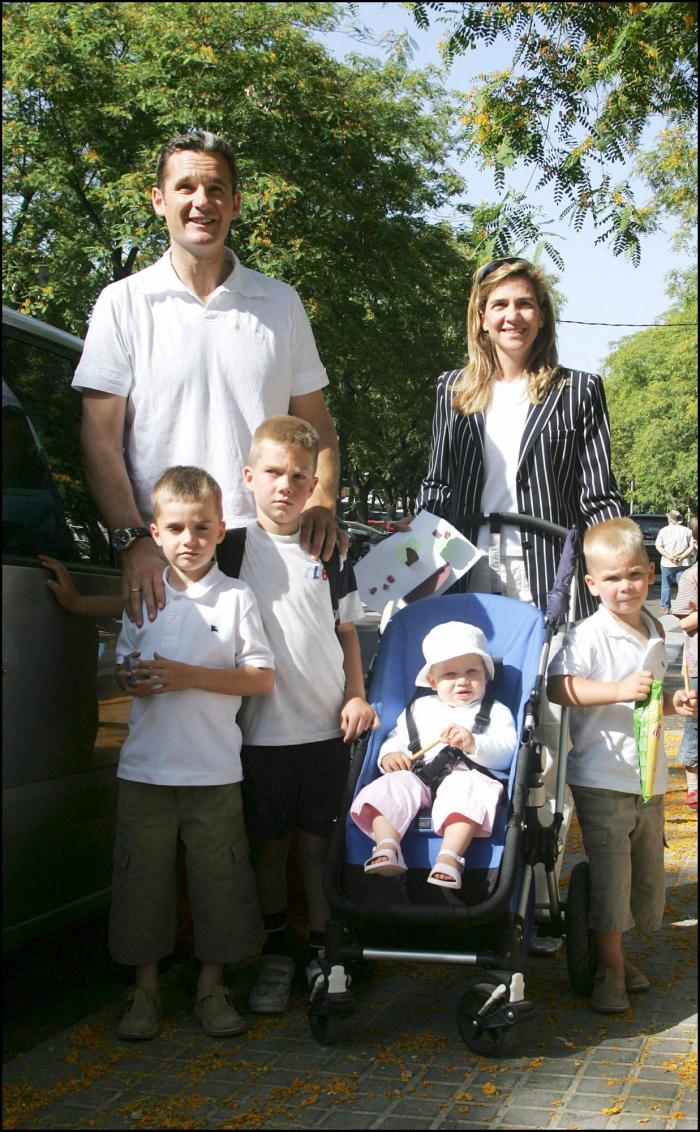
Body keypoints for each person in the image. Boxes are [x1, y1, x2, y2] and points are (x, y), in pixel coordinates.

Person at [416, 255, 624, 935]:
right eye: (499, 304)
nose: (513, 316)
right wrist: (411, 572)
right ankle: (472, 861)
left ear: (543, 315)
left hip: (550, 569)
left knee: (545, 728)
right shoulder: (453, 389)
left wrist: (610, 583)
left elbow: (598, 495)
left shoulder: (576, 391)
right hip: (471, 570)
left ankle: (537, 877)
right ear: (480, 315)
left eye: (525, 304)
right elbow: (439, 489)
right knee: (473, 714)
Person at [72, 129, 342, 629]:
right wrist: (133, 541)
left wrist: (322, 502)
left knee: (275, 707)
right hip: (168, 551)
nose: (202, 202)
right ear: (159, 200)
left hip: (270, 547)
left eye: (216, 189)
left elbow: (318, 426)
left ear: (235, 203)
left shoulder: (281, 303)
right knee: (174, 706)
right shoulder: (123, 303)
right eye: (186, 188)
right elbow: (99, 438)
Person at [110, 466, 274, 1040]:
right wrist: (134, 679)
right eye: (176, 528)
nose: (190, 540)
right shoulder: (144, 595)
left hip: (212, 771)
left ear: (221, 529)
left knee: (219, 880)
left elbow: (259, 679)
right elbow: (125, 666)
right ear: (155, 533)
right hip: (145, 770)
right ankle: (144, 992)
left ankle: (212, 986)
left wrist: (186, 676)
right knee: (141, 880)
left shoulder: (235, 597)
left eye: (202, 527)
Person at [236, 415, 378, 1015]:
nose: (285, 487)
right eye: (273, 473)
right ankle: (275, 953)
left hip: (323, 728)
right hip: (258, 733)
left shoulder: (331, 550)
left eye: (299, 477)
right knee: (269, 850)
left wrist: (356, 694)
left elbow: (347, 632)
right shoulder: (230, 546)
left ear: (314, 482)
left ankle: (324, 952)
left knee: (318, 846)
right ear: (249, 477)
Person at [547, 518, 697, 1013]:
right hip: (603, 776)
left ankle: (621, 955)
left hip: (649, 778)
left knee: (645, 878)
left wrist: (676, 701)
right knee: (611, 876)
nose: (624, 586)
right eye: (611, 578)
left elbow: (649, 698)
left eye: (632, 574)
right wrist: (614, 691)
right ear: (591, 584)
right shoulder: (588, 634)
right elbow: (559, 688)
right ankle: (608, 969)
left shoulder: (655, 629)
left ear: (651, 574)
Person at [350, 622, 516, 889]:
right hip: (418, 778)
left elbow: (507, 752)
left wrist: (475, 744)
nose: (462, 680)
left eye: (472, 672)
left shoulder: (495, 711)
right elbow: (398, 739)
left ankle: (449, 857)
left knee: (469, 788)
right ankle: (386, 846)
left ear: (486, 675)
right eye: (450, 674)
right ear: (432, 681)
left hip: (466, 777)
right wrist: (391, 755)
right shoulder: (419, 709)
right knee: (389, 786)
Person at [672, 516, 698, 810]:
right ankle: (693, 787)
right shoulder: (691, 576)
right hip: (697, 663)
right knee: (694, 724)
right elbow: (685, 623)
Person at [655, 510, 694, 615]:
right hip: (683, 563)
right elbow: (691, 546)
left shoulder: (663, 531)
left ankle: (665, 608)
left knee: (666, 586)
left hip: (667, 563)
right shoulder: (687, 531)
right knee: (683, 586)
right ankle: (685, 607)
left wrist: (669, 556)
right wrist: (682, 556)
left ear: (669, 519)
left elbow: (658, 545)